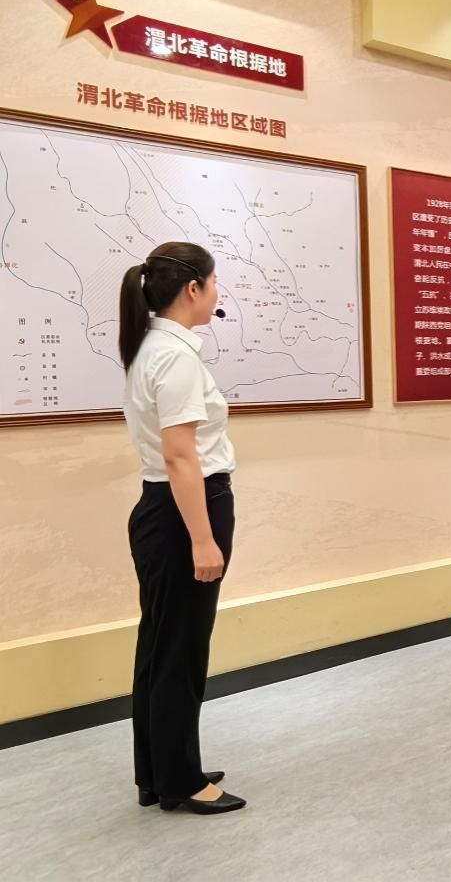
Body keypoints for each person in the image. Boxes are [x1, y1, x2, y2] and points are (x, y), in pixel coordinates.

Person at [119, 242, 245, 815]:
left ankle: (158, 771)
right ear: (193, 289)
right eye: (214, 283)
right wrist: (202, 537)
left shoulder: (153, 347)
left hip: (162, 509)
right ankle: (180, 780)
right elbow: (180, 457)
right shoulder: (174, 357)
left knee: (160, 645)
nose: (217, 293)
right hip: (184, 512)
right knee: (181, 649)